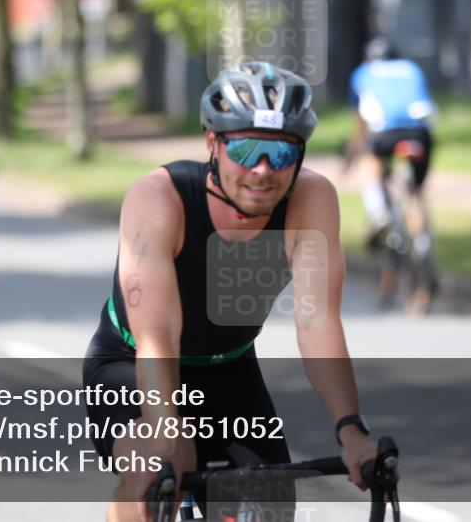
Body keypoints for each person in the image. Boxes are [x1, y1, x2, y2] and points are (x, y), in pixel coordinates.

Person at [83, 62, 380, 522]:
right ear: (212, 144)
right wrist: (166, 427)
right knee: (159, 471)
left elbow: (317, 320)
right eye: (245, 149)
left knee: (270, 503)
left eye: (281, 155)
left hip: (230, 368)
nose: (263, 170)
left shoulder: (312, 201)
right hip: (131, 363)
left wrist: (351, 430)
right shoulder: (159, 199)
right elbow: (157, 339)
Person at [346, 37, 437, 307]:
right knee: (416, 194)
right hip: (420, 134)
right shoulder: (412, 68)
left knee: (369, 162)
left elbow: (360, 124)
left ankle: (379, 213)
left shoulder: (362, 73)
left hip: (384, 133)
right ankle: (421, 232)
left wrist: (351, 156)